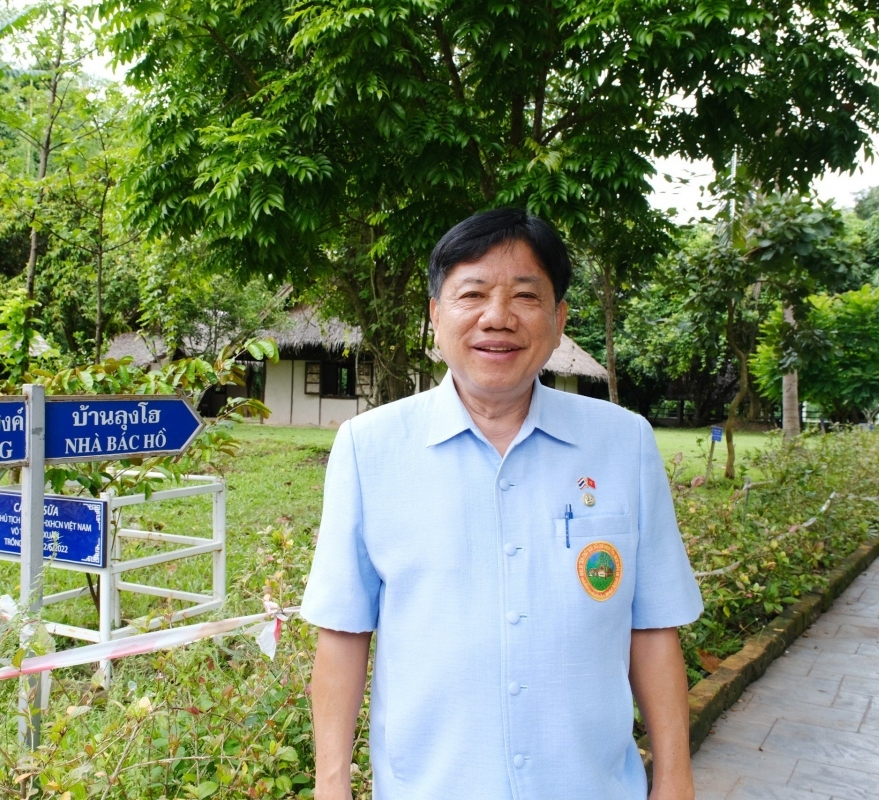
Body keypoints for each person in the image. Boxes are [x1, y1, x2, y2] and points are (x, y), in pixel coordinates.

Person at [301, 208, 703, 800]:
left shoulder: (625, 443)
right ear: (437, 314)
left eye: (525, 295)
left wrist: (675, 776)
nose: (498, 317)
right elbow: (343, 631)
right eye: (473, 293)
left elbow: (651, 626)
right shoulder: (369, 448)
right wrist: (330, 786)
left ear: (560, 318)